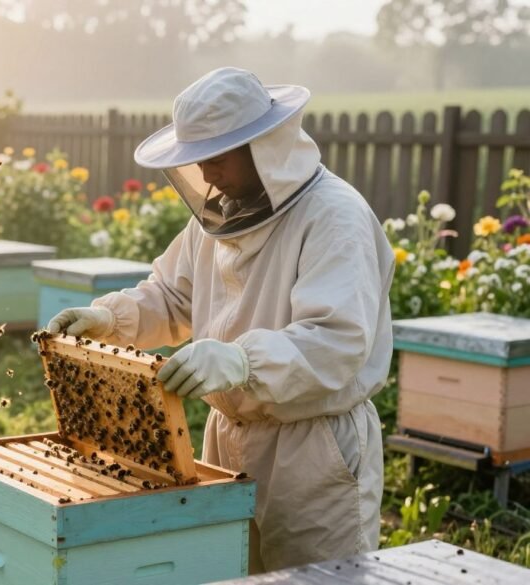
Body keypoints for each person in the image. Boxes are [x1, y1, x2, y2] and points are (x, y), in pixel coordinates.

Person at [46, 67, 394, 572]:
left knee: (317, 577)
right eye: (197, 160)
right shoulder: (218, 217)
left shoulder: (333, 216)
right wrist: (106, 318)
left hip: (311, 447)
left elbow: (336, 341)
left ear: (265, 147)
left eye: (217, 158)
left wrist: (241, 359)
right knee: (230, 573)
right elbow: (171, 297)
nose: (206, 175)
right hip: (224, 436)